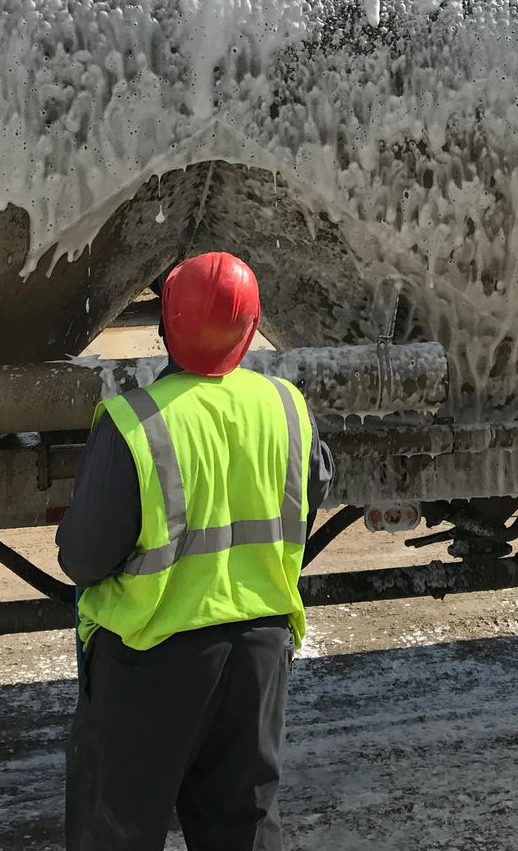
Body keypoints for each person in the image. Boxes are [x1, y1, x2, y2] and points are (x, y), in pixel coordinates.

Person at [58, 251, 334, 851]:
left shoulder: (136, 423)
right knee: (244, 829)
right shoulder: (287, 407)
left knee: (117, 833)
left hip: (150, 658)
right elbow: (309, 499)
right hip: (260, 653)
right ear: (253, 326)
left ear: (165, 326)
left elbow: (83, 557)